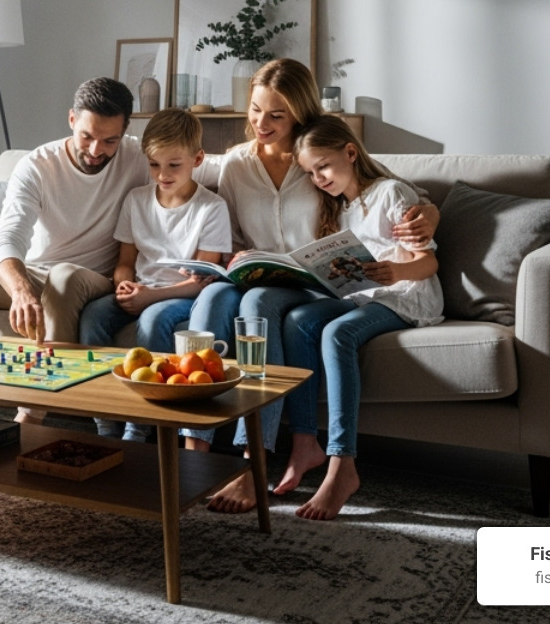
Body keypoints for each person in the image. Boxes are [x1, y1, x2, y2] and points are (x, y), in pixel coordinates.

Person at [182, 58, 439, 512]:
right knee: (215, 298)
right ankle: (194, 450)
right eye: (256, 110)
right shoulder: (237, 166)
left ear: (300, 115)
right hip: (263, 276)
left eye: (277, 115)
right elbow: (230, 236)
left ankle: (254, 458)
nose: (262, 123)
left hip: (315, 284)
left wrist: (429, 213)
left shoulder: (316, 158)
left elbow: (387, 193)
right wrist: (230, 260)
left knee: (261, 303)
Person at [0, 77, 147, 412]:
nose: (96, 150)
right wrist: (21, 290)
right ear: (72, 119)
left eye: (109, 140)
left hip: (90, 281)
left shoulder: (140, 157)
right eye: (87, 136)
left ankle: (32, 415)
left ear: (125, 131)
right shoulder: (38, 165)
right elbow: (8, 236)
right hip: (39, 274)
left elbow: (204, 165)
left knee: (65, 276)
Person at [271, 115, 443, 520]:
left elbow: (428, 263)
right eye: (311, 173)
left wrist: (397, 271)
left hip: (406, 297)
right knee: (297, 321)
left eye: (324, 166)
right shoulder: (342, 210)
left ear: (350, 152)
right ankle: (303, 442)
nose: (319, 178)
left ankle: (342, 465)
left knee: (336, 335)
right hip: (366, 296)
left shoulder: (391, 193)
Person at [79, 108, 231, 441]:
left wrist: (151, 297)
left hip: (179, 296)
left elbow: (201, 282)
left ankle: (141, 425)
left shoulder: (211, 208)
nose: (162, 174)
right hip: (142, 289)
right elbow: (125, 261)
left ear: (198, 159)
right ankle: (104, 418)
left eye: (174, 165)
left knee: (152, 320)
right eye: (154, 164)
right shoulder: (136, 200)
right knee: (93, 316)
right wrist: (124, 285)